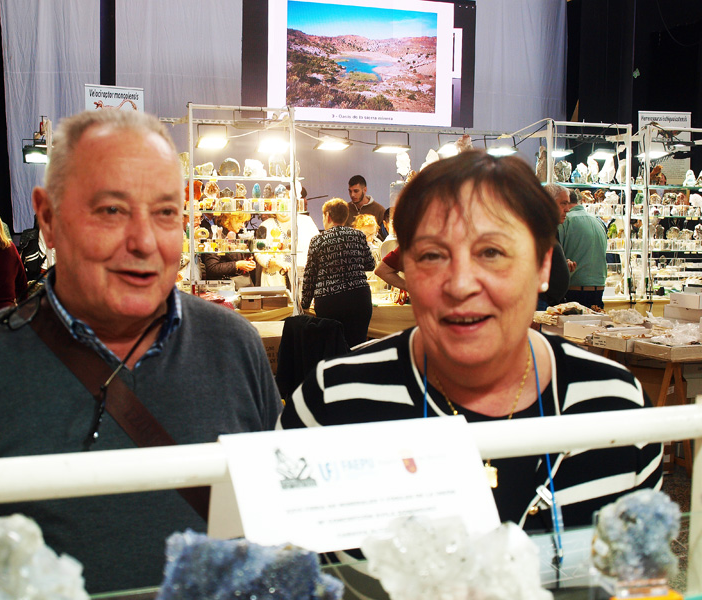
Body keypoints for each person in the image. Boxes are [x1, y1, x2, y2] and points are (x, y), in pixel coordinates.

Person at [0, 109, 281, 594]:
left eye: (166, 212)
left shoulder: (236, 349)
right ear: (49, 218)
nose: (144, 241)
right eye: (111, 210)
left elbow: (274, 533)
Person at [282, 150, 662, 531]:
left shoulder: (617, 408)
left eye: (492, 252)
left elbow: (636, 583)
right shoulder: (333, 401)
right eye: (432, 255)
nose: (461, 284)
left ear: (543, 266)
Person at [302, 198, 375, 347]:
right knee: (357, 347)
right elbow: (370, 264)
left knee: (333, 347)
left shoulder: (318, 241)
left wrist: (305, 303)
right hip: (359, 299)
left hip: (330, 301)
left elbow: (310, 275)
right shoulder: (358, 236)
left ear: (328, 216)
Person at [559, 186, 608, 308]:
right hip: (599, 288)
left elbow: (556, 256)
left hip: (574, 291)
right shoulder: (598, 222)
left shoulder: (565, 221)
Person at [537, 184, 572, 309]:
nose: (567, 209)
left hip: (548, 302)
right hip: (539, 301)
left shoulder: (550, 228)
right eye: (563, 203)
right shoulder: (537, 228)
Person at [201, 212, 256, 289]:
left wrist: (246, 263)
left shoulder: (235, 235)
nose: (242, 225)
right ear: (231, 219)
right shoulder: (216, 236)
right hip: (222, 288)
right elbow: (212, 267)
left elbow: (232, 259)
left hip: (235, 285)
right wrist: (237, 265)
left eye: (244, 222)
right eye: (240, 221)